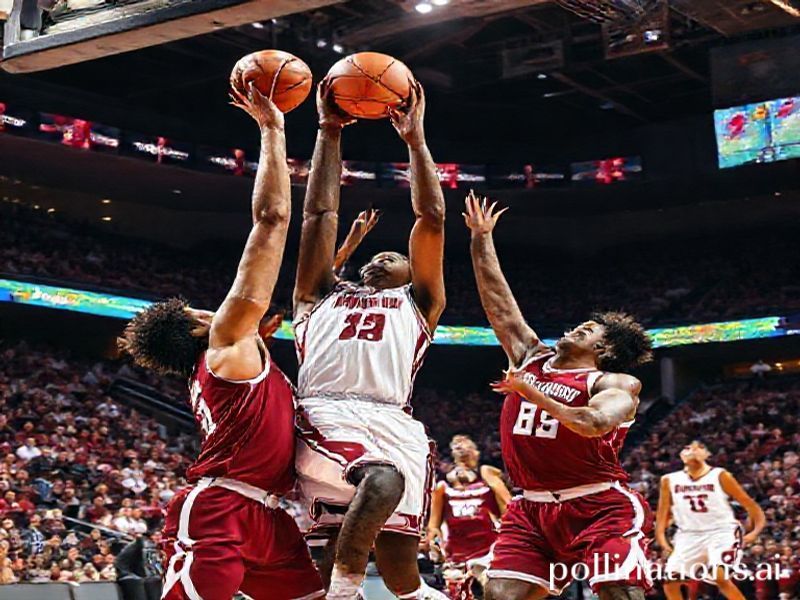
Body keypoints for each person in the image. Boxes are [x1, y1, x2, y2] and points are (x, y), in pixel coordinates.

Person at [119, 82, 324, 600]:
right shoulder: (226, 341)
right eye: (197, 310)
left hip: (269, 514)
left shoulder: (229, 358)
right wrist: (273, 131)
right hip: (219, 508)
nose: (210, 307)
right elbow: (271, 220)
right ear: (195, 329)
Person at [292, 78, 447, 600]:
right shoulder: (318, 293)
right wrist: (328, 132)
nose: (381, 257)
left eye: (393, 255)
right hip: (326, 412)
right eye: (374, 255)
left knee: (404, 572)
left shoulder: (419, 303)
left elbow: (431, 218)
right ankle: (343, 595)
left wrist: (416, 140)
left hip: (394, 421)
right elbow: (318, 216)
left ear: (410, 270)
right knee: (337, 545)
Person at [462, 193, 655, 600]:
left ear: (603, 351)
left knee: (619, 592)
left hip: (599, 507)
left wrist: (528, 391)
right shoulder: (531, 357)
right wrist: (481, 238)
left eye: (589, 330)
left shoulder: (615, 384)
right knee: (500, 595)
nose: (578, 327)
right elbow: (500, 306)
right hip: (530, 511)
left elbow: (593, 423)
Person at [655, 440, 766, 599]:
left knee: (720, 577)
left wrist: (755, 532)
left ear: (708, 455)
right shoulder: (668, 480)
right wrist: (661, 538)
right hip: (688, 535)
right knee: (670, 582)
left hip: (721, 532)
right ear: (680, 455)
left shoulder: (720, 475)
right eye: (687, 447)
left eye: (699, 447)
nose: (692, 450)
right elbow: (663, 514)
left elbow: (751, 505)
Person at [427, 435, 512, 600]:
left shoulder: (487, 478)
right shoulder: (442, 488)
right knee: (458, 593)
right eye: (457, 444)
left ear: (476, 452)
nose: (461, 445)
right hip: (456, 555)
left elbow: (509, 509)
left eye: (466, 443)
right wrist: (434, 545)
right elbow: (433, 525)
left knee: (498, 592)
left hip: (489, 551)